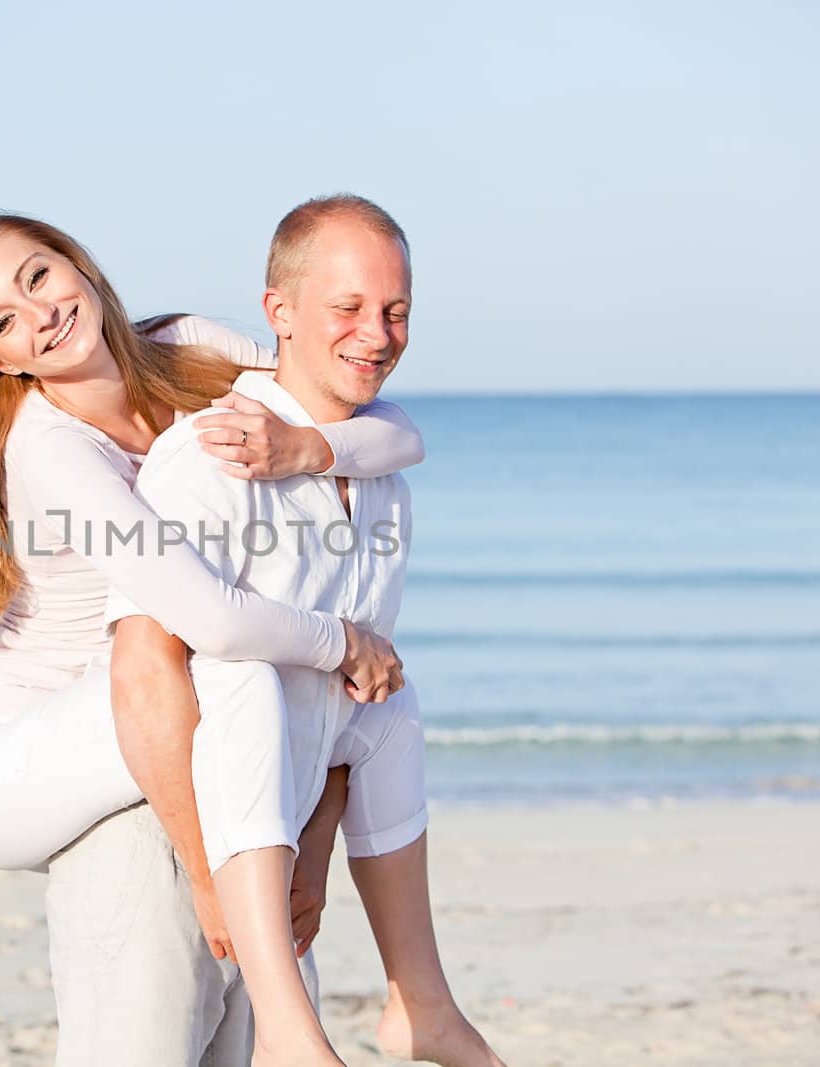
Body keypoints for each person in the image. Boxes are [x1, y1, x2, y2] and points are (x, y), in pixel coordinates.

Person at [0, 213, 424, 1043]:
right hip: (6, 758)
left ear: (74, 260)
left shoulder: (186, 346)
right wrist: (342, 642)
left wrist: (307, 448)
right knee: (228, 667)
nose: (39, 314)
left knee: (276, 684)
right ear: (1, 359)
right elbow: (202, 619)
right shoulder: (49, 452)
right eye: (4, 321)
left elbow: (392, 431)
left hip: (131, 703)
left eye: (37, 276)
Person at [104, 195, 507, 1066]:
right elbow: (146, 666)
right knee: (243, 670)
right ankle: (292, 1037)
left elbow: (344, 701)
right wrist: (207, 874)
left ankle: (421, 1000)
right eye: (350, 307)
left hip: (281, 844)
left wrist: (316, 851)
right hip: (187, 831)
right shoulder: (214, 452)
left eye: (397, 310)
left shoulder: (378, 474)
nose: (379, 332)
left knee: (391, 705)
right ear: (279, 313)